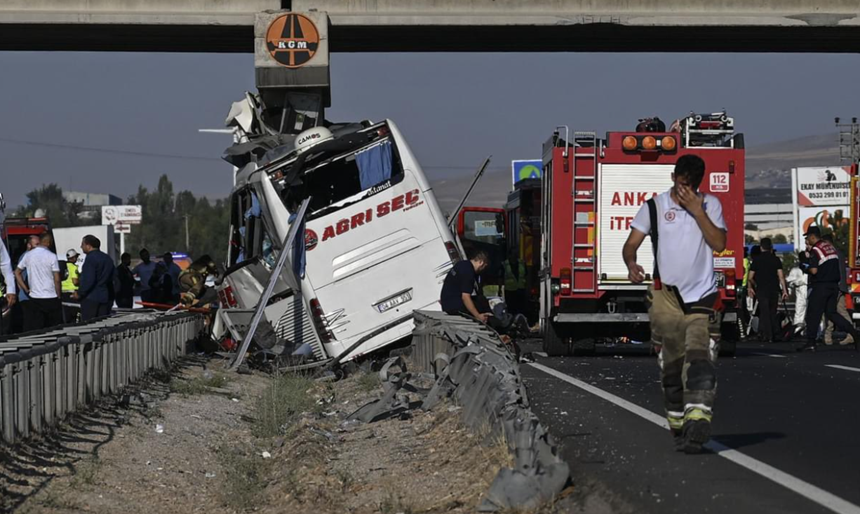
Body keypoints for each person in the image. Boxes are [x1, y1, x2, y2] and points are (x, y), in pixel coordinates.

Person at [623, 154, 726, 454]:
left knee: (700, 362)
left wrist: (698, 212)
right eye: (682, 185)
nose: (685, 192)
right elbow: (631, 244)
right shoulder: (653, 207)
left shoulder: (710, 205)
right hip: (665, 297)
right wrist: (632, 264)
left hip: (702, 298)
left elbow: (719, 244)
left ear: (699, 184)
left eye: (692, 187)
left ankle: (698, 423)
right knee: (672, 369)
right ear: (673, 178)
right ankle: (679, 423)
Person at [799, 226, 860, 351]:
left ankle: (811, 342)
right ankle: (854, 333)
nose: (807, 241)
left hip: (821, 285)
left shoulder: (816, 249)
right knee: (832, 313)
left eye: (807, 238)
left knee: (813, 313)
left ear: (812, 236)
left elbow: (814, 270)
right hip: (834, 286)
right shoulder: (830, 247)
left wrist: (804, 267)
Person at [15, 233, 62, 331]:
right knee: (54, 328)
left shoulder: (28, 255)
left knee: (36, 328)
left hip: (35, 297)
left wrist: (26, 289)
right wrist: (58, 294)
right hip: (51, 296)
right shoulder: (52, 256)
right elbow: (56, 278)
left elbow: (17, 272)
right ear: (49, 243)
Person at [747, 238, 788, 343]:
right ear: (771, 247)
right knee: (772, 312)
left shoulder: (757, 260)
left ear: (761, 247)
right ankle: (774, 333)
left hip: (761, 289)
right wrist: (784, 290)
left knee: (764, 312)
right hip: (774, 289)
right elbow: (781, 277)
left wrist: (752, 287)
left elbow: (750, 277)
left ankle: (767, 335)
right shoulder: (776, 260)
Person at [440, 251, 493, 322]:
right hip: (455, 307)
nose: (483, 270)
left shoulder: (461, 264)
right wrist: (477, 315)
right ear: (481, 262)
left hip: (446, 303)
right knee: (481, 304)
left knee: (480, 299)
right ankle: (492, 322)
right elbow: (465, 297)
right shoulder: (469, 272)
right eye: (484, 266)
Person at [821, 233, 854, 346]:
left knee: (830, 311)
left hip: (835, 287)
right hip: (839, 287)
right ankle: (851, 334)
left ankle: (828, 335)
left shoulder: (832, 254)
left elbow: (837, 272)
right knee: (840, 311)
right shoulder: (838, 253)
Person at [77, 235, 116, 321]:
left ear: (88, 245)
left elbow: (88, 280)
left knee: (89, 325)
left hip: (91, 298)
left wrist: (79, 293)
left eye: (82, 244)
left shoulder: (90, 259)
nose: (81, 246)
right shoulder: (107, 258)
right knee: (102, 324)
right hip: (105, 297)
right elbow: (114, 278)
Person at [787, 255, 808, 336]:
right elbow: (790, 282)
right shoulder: (796, 270)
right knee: (799, 312)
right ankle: (797, 331)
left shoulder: (809, 268)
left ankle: (810, 332)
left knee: (809, 312)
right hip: (801, 291)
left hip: (807, 290)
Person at [503, 249, 527, 315]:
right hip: (510, 290)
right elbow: (500, 277)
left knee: (521, 308)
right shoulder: (505, 264)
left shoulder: (522, 263)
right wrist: (500, 289)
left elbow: (526, 275)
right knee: (511, 308)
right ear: (510, 255)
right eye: (514, 254)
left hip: (520, 289)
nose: (515, 255)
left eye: (516, 253)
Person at [61, 248, 81, 323]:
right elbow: (75, 281)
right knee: (74, 316)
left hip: (63, 293)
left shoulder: (63, 266)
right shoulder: (73, 267)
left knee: (66, 316)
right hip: (72, 294)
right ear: (73, 258)